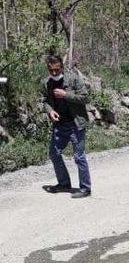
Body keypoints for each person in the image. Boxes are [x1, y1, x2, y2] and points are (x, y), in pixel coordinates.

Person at [41, 54, 93, 198]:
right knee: (54, 153)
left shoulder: (73, 79)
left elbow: (85, 97)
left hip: (76, 124)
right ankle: (64, 183)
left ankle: (85, 188)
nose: (54, 73)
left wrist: (65, 94)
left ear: (62, 68)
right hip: (60, 124)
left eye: (57, 70)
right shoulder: (46, 83)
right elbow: (44, 100)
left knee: (79, 157)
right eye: (51, 70)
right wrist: (50, 111)